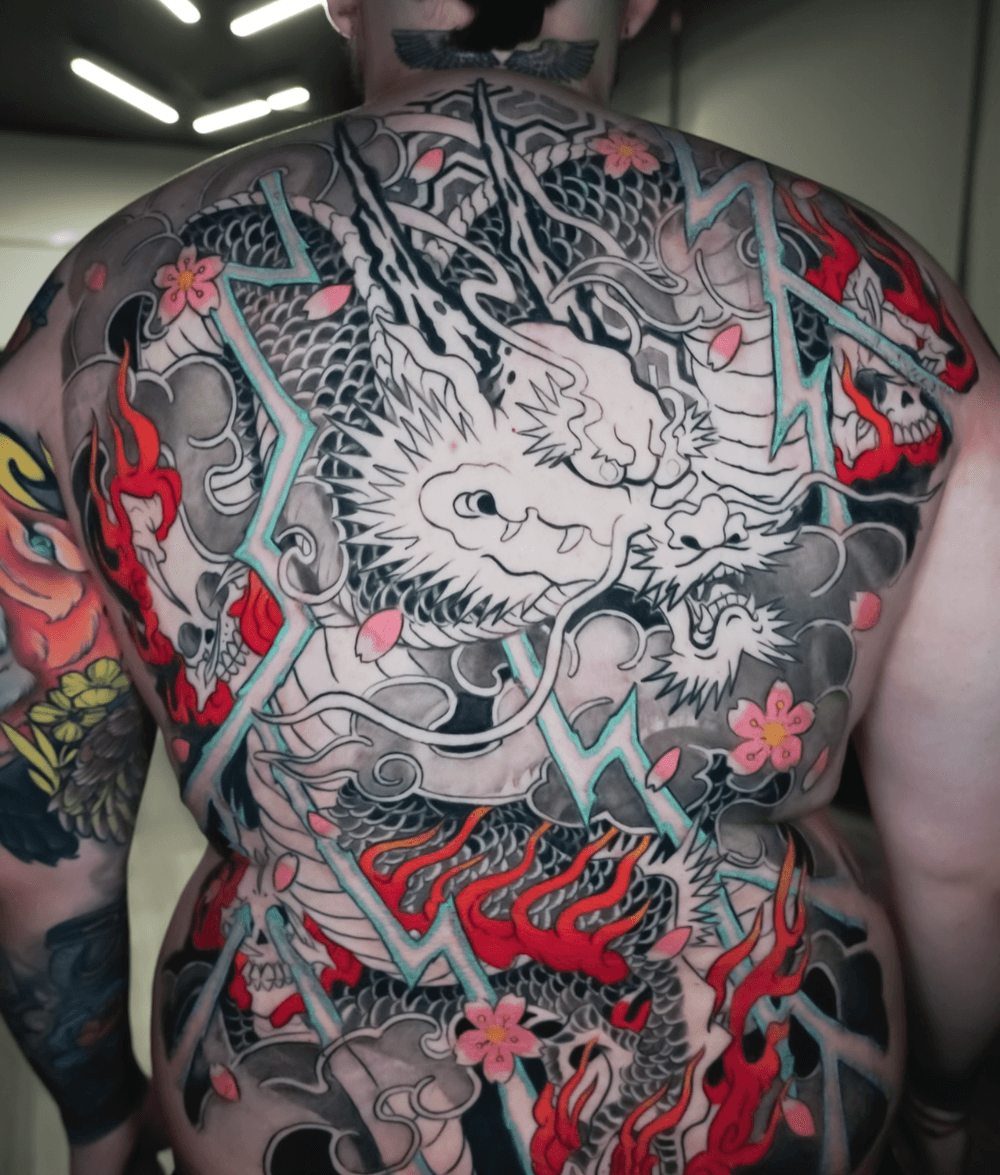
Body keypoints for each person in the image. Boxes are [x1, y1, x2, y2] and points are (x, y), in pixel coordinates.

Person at [0, 1, 997, 1171]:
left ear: (339, 0)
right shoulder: (896, 304)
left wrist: (98, 1112)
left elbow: (36, 849)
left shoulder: (93, 303)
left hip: (282, 1095)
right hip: (763, 1098)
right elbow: (964, 857)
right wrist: (944, 1099)